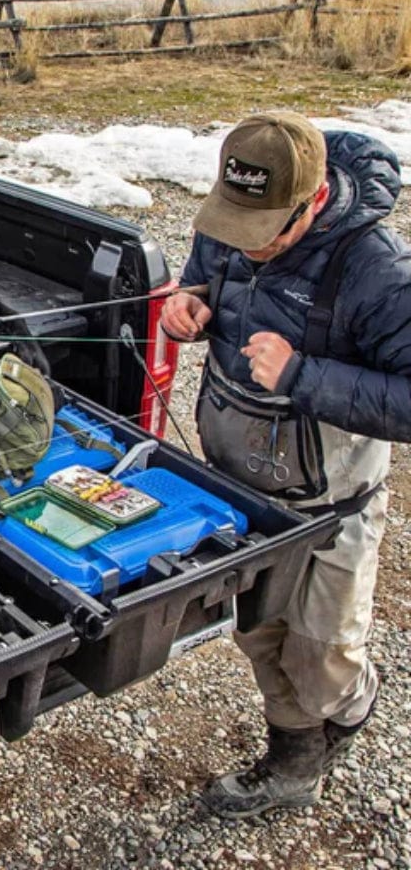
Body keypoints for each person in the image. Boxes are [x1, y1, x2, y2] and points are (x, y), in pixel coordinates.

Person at [161, 111, 411, 819]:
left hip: (330, 507)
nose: (246, 243)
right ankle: (294, 768)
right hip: (241, 493)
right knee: (258, 636)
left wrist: (304, 375)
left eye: (263, 231)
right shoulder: (235, 214)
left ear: (315, 201)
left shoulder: (377, 273)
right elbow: (203, 275)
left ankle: (351, 707)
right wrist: (192, 304)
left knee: (322, 662)